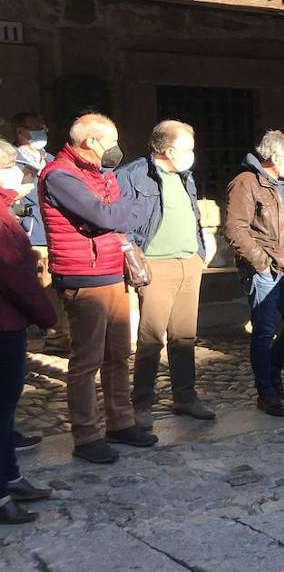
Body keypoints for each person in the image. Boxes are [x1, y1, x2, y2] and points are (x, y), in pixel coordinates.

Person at [39, 113, 152, 463]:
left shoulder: (99, 174)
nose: (116, 149)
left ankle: (121, 422)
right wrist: (122, 210)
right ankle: (86, 435)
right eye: (111, 140)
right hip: (83, 278)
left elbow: (115, 212)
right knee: (86, 361)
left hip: (113, 271)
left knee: (118, 355)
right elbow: (107, 217)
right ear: (90, 141)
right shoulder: (60, 175)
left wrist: (118, 210)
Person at [115, 120, 215, 429]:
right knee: (151, 338)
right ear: (168, 149)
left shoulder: (185, 174)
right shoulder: (132, 175)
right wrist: (133, 256)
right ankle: (141, 402)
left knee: (185, 336)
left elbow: (192, 213)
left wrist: (199, 250)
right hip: (156, 265)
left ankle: (185, 397)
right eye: (188, 148)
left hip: (189, 262)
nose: (192, 154)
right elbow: (119, 221)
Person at [224, 130, 284, 418]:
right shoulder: (245, 183)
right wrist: (261, 261)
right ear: (275, 156)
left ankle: (273, 373)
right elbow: (235, 229)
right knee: (264, 331)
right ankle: (265, 391)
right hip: (265, 268)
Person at [0, 156, 57, 524]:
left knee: (5, 412)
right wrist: (45, 315)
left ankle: (10, 476)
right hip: (4, 324)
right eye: (10, 166)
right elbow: (13, 274)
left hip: (9, 321)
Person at [12, 112, 67, 355]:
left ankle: (59, 333)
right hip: (31, 232)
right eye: (35, 128)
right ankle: (54, 332)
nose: (41, 132)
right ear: (20, 132)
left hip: (57, 230)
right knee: (40, 282)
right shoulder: (10, 162)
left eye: (43, 127)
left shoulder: (53, 159)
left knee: (57, 283)